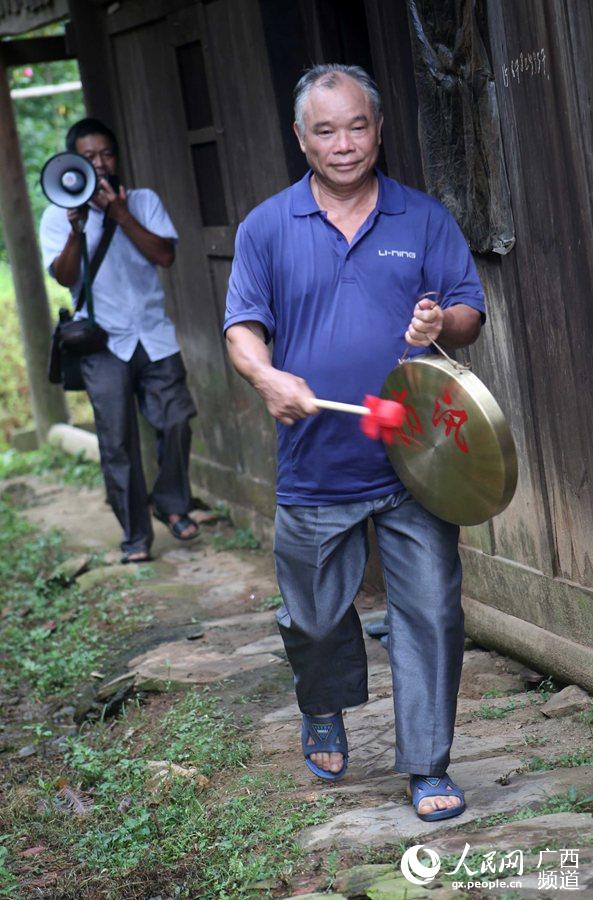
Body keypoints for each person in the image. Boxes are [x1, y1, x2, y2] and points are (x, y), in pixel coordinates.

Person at [224, 64, 485, 822]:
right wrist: (265, 376)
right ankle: (324, 704)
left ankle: (427, 764)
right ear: (300, 138)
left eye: (357, 126)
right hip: (315, 460)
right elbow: (243, 326)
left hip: (414, 458)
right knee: (310, 618)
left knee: (431, 611)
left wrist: (442, 325)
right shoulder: (267, 226)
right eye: (325, 129)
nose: (344, 144)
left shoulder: (421, 218)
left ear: (378, 129)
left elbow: (469, 311)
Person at [40, 118, 199, 563]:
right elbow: (64, 277)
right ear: (73, 163)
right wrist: (77, 229)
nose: (100, 163)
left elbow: (165, 255)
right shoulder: (57, 214)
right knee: (117, 441)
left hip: (153, 335)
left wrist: (121, 215)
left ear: (117, 156)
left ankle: (172, 505)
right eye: (88, 157)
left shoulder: (143, 201)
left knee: (176, 421)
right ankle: (135, 537)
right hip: (100, 342)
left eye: (106, 154)